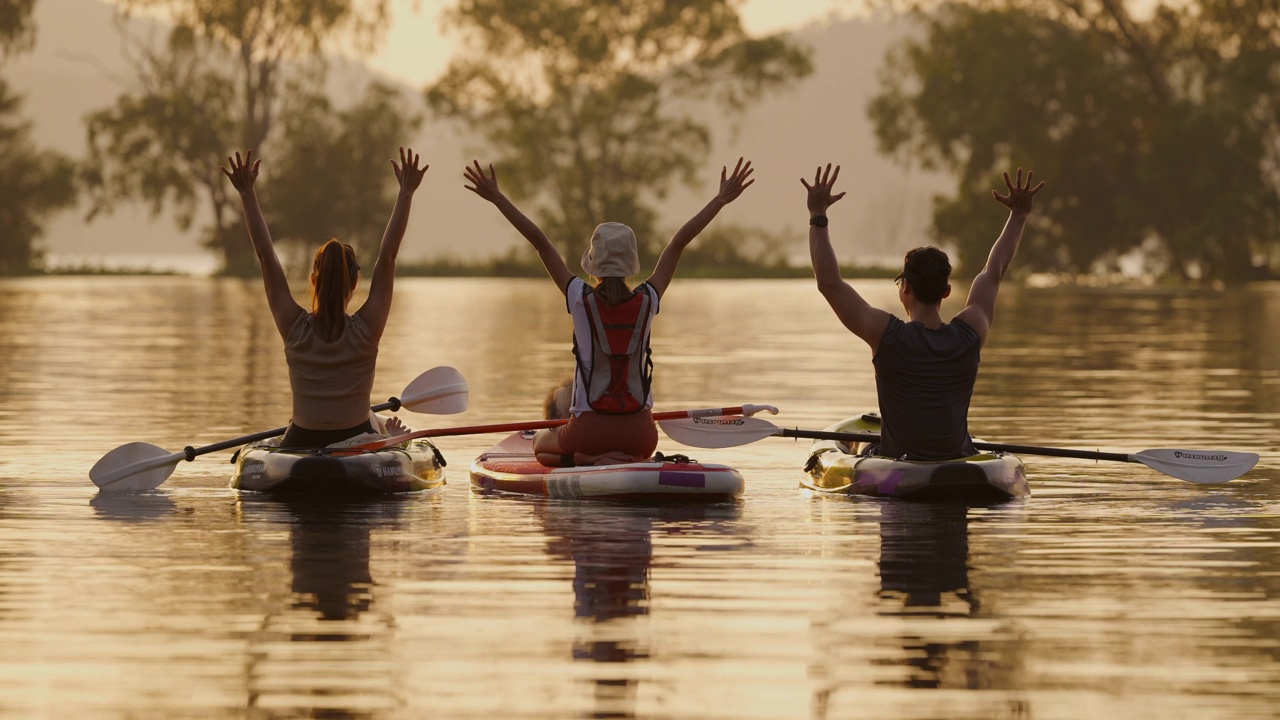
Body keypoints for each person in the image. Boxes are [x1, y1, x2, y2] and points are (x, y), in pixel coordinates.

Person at [463, 158, 755, 466]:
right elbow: (678, 243)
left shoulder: (579, 297)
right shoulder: (648, 299)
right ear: (632, 265)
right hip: (641, 435)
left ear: (593, 265)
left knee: (540, 444)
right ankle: (625, 458)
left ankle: (591, 460)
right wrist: (720, 200)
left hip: (588, 432)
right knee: (634, 449)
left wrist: (497, 198)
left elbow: (540, 242)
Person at [803, 163, 1045, 460]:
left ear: (905, 288)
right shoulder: (972, 330)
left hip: (901, 466)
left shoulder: (885, 334)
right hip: (956, 461)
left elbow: (829, 283)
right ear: (946, 291)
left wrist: (818, 215)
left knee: (866, 445)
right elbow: (993, 272)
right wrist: (1019, 216)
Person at [221, 147, 428, 448]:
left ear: (313, 279)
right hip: (356, 439)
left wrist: (247, 194)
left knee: (371, 418)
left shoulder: (294, 328)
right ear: (355, 281)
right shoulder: (367, 329)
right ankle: (392, 438)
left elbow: (266, 256)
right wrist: (406, 193)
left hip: (301, 439)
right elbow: (389, 256)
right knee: (375, 420)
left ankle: (386, 434)